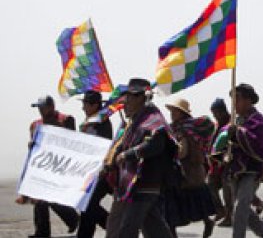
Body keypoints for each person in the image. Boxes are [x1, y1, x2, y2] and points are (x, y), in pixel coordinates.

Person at [105, 78, 177, 238]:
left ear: (142, 98)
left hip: (145, 182)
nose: (127, 101)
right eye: (127, 96)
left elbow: (155, 145)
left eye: (131, 96)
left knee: (127, 229)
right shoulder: (133, 122)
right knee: (154, 229)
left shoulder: (153, 118)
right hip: (130, 185)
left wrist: (128, 154)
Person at [223, 83, 263, 238]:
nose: (234, 103)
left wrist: (239, 133)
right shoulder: (236, 121)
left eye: (237, 99)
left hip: (251, 171)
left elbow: (261, 146)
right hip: (235, 171)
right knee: (241, 207)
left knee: (240, 207)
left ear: (249, 100)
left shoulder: (258, 121)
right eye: (233, 99)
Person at [22, 95, 79, 238]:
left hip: (60, 165)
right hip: (43, 166)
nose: (41, 111)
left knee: (51, 198)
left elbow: (72, 141)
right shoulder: (35, 125)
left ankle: (72, 218)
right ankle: (42, 232)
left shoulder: (66, 120)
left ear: (51, 107)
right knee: (39, 200)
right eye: (39, 108)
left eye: (43, 107)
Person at [162, 98, 216, 238]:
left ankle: (173, 234)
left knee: (173, 207)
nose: (172, 114)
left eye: (175, 111)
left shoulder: (183, 131)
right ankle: (207, 222)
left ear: (181, 113)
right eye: (171, 111)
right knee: (197, 203)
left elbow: (182, 152)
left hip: (185, 173)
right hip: (194, 172)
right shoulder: (183, 128)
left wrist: (169, 153)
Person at [77, 90, 113, 238]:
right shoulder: (87, 122)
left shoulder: (102, 122)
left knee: (89, 203)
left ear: (95, 105)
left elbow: (101, 146)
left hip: (100, 172)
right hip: (88, 171)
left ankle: (113, 227)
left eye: (86, 104)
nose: (83, 107)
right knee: (85, 204)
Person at [207, 98, 232, 226]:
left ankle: (229, 215)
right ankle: (220, 210)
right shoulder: (217, 125)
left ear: (222, 111)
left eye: (216, 113)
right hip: (215, 163)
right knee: (210, 184)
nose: (215, 116)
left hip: (228, 162)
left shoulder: (231, 123)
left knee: (228, 190)